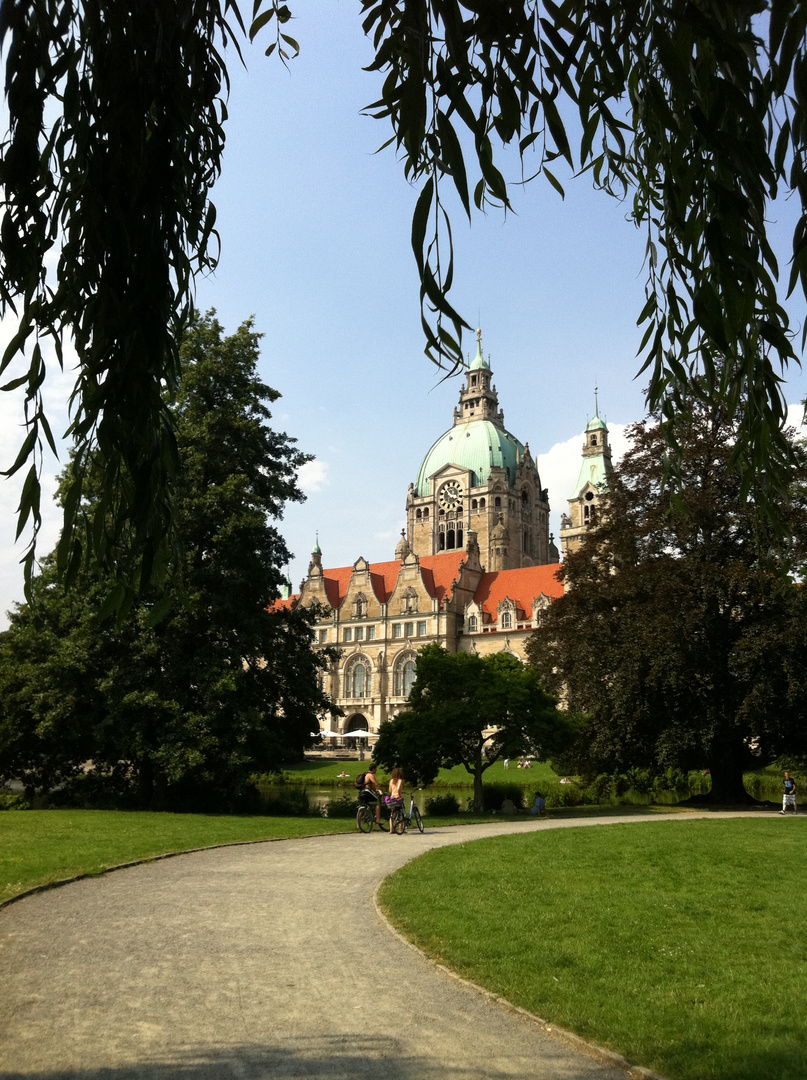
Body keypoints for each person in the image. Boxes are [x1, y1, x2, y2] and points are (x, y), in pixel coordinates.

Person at [386, 767, 404, 833]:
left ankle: (391, 829)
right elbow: (399, 788)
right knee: (401, 813)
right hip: (398, 798)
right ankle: (400, 829)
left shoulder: (391, 781)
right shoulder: (400, 780)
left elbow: (390, 790)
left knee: (392, 814)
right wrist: (399, 795)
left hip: (392, 798)